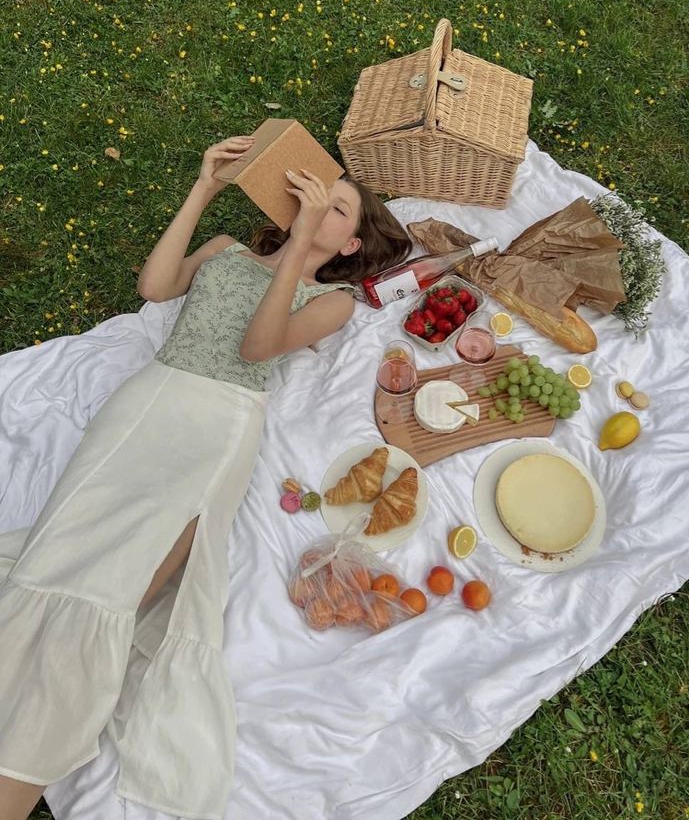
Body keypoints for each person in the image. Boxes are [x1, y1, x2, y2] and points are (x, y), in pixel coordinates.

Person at [0, 135, 412, 820]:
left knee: (120, 589)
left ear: (347, 244)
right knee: (59, 553)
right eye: (316, 194)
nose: (318, 203)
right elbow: (155, 287)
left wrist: (296, 244)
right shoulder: (225, 249)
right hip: (147, 401)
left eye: (337, 208)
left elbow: (256, 347)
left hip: (218, 427)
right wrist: (204, 188)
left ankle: (21, 778)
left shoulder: (330, 302)